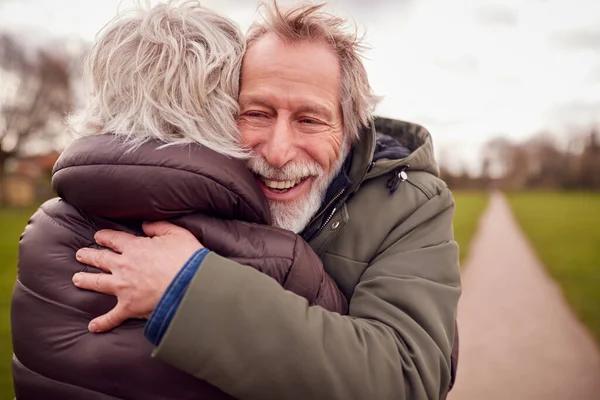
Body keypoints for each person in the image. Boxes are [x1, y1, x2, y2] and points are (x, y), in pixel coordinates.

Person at [72, 2, 462, 400]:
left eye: (309, 120)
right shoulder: (203, 188)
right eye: (257, 113)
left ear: (351, 127)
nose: (277, 153)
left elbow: (406, 376)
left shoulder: (414, 205)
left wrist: (187, 289)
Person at [10, 2, 348, 399]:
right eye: (254, 110)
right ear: (221, 108)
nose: (275, 149)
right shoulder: (280, 261)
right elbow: (379, 375)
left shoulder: (43, 231)